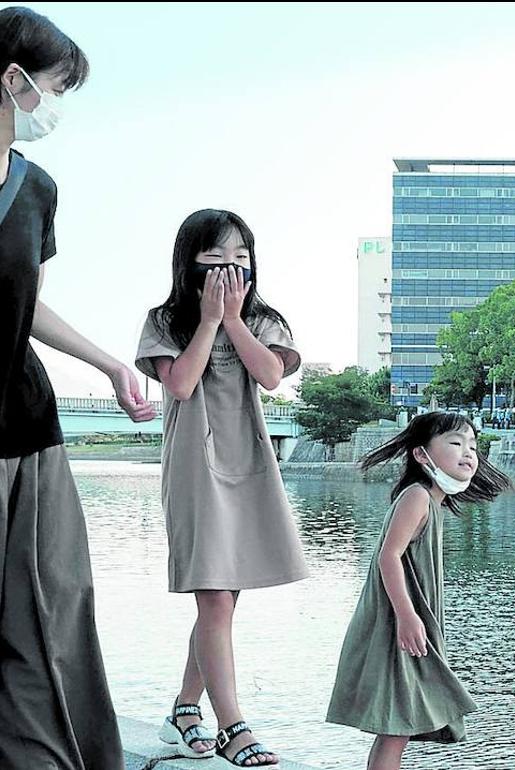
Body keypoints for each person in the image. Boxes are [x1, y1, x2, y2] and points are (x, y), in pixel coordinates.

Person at [0, 9, 158, 768]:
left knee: (51, 608)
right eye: (55, 87)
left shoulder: (37, 189)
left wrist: (109, 363)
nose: (55, 106)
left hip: (28, 424)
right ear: (13, 79)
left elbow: (26, 301)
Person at [136, 210, 307, 766]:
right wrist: (208, 320)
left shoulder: (265, 319)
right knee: (213, 596)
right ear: (190, 262)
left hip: (250, 462)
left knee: (224, 600)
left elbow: (271, 376)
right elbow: (181, 383)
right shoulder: (164, 320)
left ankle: (185, 709)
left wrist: (234, 320)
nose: (230, 268)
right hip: (194, 465)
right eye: (216, 258)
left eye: (240, 257)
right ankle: (233, 725)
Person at [327, 411, 511, 770]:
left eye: (473, 445)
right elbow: (388, 557)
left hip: (403, 625)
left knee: (397, 728)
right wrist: (408, 617)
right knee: (396, 727)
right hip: (397, 626)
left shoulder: (431, 500)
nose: (468, 453)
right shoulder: (418, 497)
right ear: (422, 455)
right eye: (455, 443)